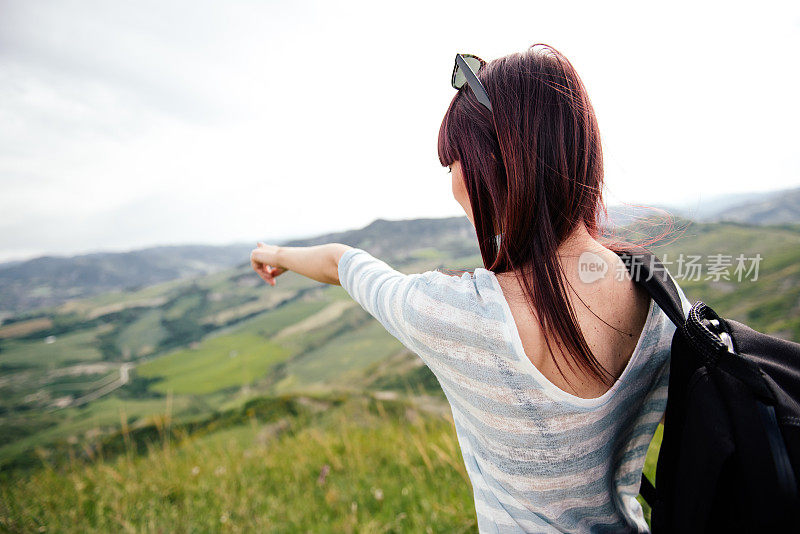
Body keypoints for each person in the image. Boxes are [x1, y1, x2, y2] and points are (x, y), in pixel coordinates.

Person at [250, 43, 691, 533]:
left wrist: (275, 256)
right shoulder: (663, 304)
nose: (453, 185)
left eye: (455, 163)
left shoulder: (457, 315)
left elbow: (342, 262)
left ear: (494, 163)